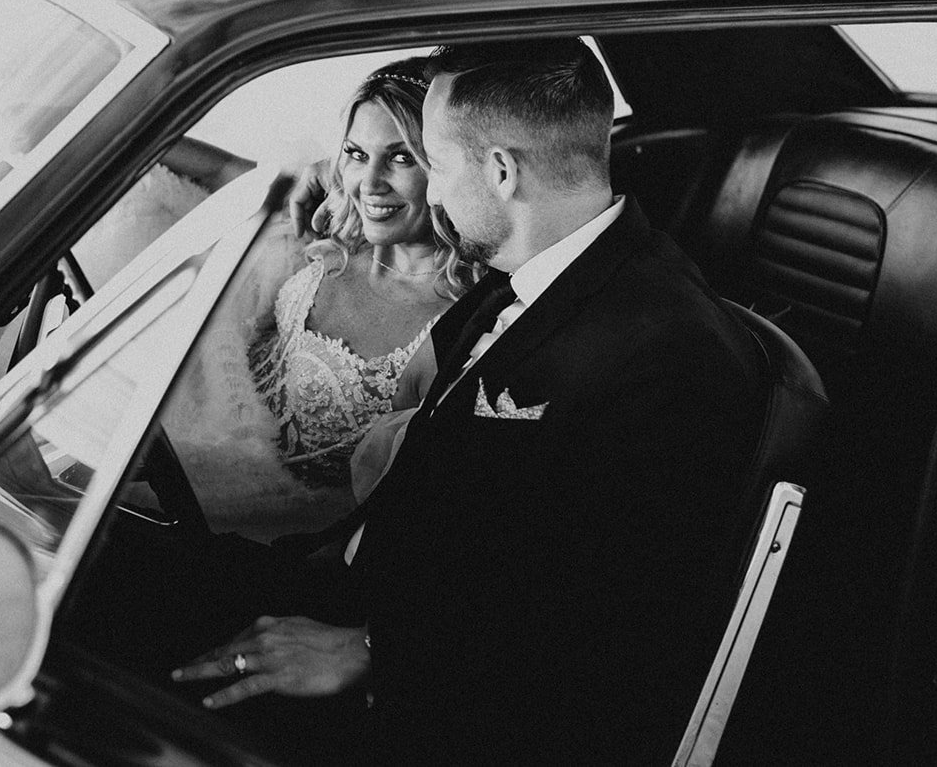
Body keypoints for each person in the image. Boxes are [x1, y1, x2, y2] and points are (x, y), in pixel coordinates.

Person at [173, 38, 767, 766]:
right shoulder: (522, 275)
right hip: (344, 584)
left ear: (501, 171)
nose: (432, 193)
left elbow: (613, 621)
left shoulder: (672, 357)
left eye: (436, 163)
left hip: (439, 699)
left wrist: (369, 651)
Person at [250, 56, 475, 498]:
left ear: (444, 167)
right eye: (356, 154)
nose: (369, 183)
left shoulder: (459, 326)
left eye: (401, 158)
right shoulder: (332, 232)